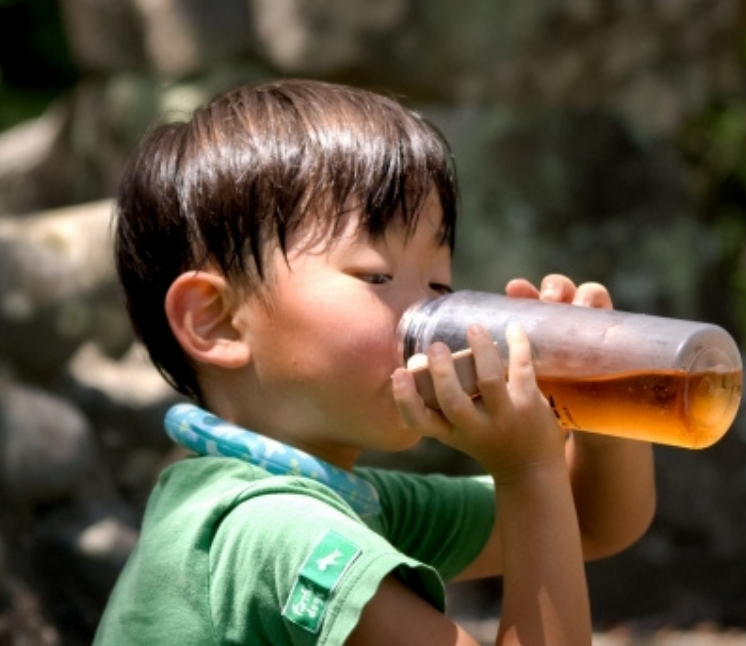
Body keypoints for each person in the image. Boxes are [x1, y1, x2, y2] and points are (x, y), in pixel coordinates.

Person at [93, 79, 656, 646]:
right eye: (376, 276)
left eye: (439, 283)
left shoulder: (352, 500)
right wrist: (527, 472)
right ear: (216, 320)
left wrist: (594, 398)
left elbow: (589, 520)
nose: (428, 315)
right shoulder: (272, 531)